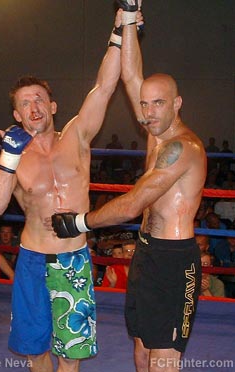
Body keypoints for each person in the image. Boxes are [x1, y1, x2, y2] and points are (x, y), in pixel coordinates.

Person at [0, 8, 143, 372]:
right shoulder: (15, 155)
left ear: (52, 106)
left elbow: (105, 86)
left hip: (73, 259)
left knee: (71, 355)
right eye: (24, 103)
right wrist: (8, 157)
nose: (33, 106)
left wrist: (120, 30)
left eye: (38, 99)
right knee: (35, 351)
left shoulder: (77, 136)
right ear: (17, 115)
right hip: (33, 259)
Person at [51, 3, 207, 371]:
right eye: (145, 105)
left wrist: (80, 222)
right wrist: (129, 17)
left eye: (158, 104)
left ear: (177, 104)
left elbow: (135, 203)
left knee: (163, 360)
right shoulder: (156, 131)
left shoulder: (183, 148)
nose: (148, 111)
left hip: (174, 261)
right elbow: (130, 75)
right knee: (139, 348)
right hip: (146, 254)